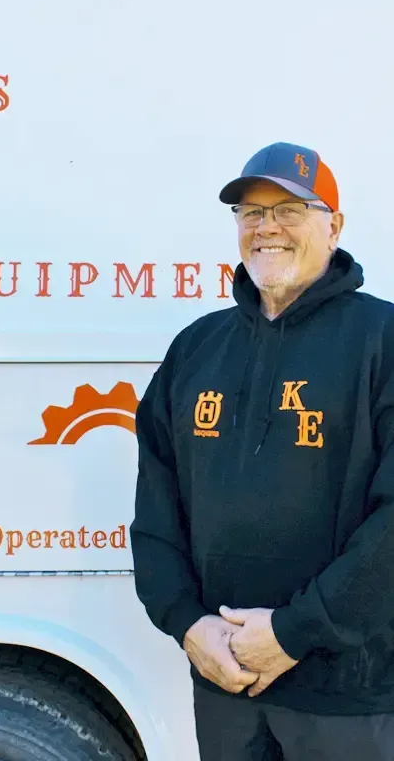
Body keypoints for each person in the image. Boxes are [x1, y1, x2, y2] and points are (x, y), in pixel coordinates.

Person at [130, 141, 394, 760]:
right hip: (226, 685)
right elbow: (156, 509)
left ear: (334, 226)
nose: (267, 227)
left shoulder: (382, 341)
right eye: (251, 212)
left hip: (348, 697)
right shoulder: (196, 349)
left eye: (289, 210)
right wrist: (188, 624)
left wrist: (292, 633)